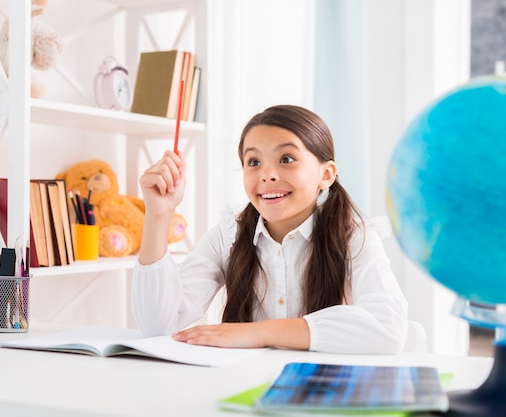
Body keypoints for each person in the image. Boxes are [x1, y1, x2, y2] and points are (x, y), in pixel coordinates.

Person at [132, 104, 408, 354]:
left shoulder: (354, 236)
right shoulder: (228, 236)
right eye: (254, 162)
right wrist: (159, 214)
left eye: (286, 159)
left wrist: (257, 333)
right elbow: (158, 325)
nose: (267, 174)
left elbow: (387, 327)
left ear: (326, 175)